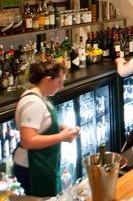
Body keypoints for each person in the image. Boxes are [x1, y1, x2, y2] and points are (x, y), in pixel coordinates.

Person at [14, 62, 79, 197]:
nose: (62, 86)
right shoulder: (33, 103)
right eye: (60, 82)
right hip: (31, 168)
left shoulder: (41, 97)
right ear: (47, 80)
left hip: (43, 164)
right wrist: (62, 137)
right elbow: (27, 141)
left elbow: (43, 123)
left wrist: (63, 128)